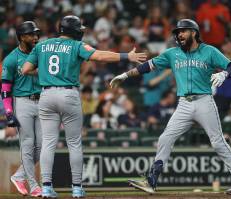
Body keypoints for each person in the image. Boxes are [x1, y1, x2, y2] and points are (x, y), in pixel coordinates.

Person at [110, 19, 231, 194]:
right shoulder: (172, 53)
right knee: (165, 138)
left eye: (183, 31)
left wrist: (224, 73)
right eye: (178, 32)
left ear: (194, 33)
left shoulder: (209, 51)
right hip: (183, 104)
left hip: (204, 101)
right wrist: (124, 75)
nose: (179, 34)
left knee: (218, 142)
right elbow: (148, 66)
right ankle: (151, 181)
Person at [22, 15, 146, 198]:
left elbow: (25, 69)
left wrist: (45, 74)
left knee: (48, 142)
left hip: (46, 94)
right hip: (68, 94)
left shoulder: (41, 45)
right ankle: (77, 188)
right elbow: (100, 55)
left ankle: (46, 187)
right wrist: (127, 55)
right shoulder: (76, 46)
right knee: (74, 143)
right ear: (73, 30)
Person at [1, 21, 42, 197]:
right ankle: (34, 186)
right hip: (22, 101)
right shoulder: (11, 59)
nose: (35, 37)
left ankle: (18, 176)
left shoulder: (40, 53)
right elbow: (5, 89)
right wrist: (9, 112)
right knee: (27, 144)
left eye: (36, 34)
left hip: (41, 101)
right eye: (31, 34)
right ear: (22, 37)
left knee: (41, 146)